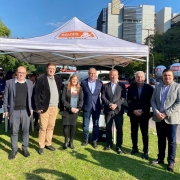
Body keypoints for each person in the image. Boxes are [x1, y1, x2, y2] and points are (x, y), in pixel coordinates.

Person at [151, 69, 180, 172]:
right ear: (162, 76)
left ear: (173, 76)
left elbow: (178, 102)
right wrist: (157, 112)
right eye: (165, 75)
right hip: (159, 118)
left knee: (172, 141)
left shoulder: (177, 87)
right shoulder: (157, 86)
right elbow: (153, 100)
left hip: (171, 118)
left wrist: (166, 113)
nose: (167, 77)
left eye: (169, 75)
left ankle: (171, 162)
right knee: (161, 139)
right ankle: (160, 158)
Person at [3, 66, 33, 160]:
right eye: (20, 72)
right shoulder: (9, 82)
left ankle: (25, 148)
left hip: (25, 111)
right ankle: (14, 149)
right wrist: (6, 110)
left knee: (25, 131)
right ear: (16, 72)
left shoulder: (29, 83)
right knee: (14, 132)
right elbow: (6, 98)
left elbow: (31, 97)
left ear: (26, 74)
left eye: (23, 73)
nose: (21, 74)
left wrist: (31, 108)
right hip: (14, 111)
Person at [34, 62, 63, 155]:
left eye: (53, 69)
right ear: (47, 69)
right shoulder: (40, 79)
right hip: (44, 107)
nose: (51, 70)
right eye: (50, 68)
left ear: (55, 70)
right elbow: (36, 94)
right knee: (43, 127)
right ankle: (41, 145)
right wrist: (38, 107)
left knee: (51, 126)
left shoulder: (58, 79)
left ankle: (48, 143)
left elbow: (61, 91)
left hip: (55, 107)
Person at [127, 71, 153, 159]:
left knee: (144, 133)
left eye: (141, 77)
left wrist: (142, 110)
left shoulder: (149, 88)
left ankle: (145, 151)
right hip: (133, 114)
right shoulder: (131, 88)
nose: (139, 78)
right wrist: (134, 110)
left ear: (144, 78)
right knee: (134, 132)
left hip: (144, 114)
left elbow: (150, 101)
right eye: (138, 77)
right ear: (135, 78)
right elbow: (129, 100)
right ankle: (134, 148)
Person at [101, 69, 126, 154]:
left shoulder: (122, 86)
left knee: (119, 129)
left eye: (115, 75)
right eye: (112, 75)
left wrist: (115, 105)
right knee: (108, 128)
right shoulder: (105, 86)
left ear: (118, 76)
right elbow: (103, 97)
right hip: (108, 110)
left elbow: (123, 97)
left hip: (118, 111)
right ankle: (109, 144)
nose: (113, 76)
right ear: (109, 76)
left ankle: (119, 146)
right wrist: (109, 104)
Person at [81, 68, 103, 148]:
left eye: (94, 73)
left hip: (96, 107)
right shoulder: (83, 82)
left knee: (96, 124)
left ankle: (94, 140)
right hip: (87, 106)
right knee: (85, 124)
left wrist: (103, 105)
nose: (92, 75)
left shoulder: (99, 83)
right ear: (88, 73)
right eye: (91, 73)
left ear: (96, 74)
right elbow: (81, 95)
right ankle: (86, 139)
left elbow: (103, 95)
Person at [61, 74, 83, 149]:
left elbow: (81, 99)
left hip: (75, 110)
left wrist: (78, 108)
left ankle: (71, 142)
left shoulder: (79, 88)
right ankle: (66, 141)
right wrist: (70, 108)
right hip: (67, 110)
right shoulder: (66, 87)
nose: (74, 81)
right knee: (66, 126)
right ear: (70, 80)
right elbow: (63, 99)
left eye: (75, 79)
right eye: (73, 79)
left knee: (73, 126)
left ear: (77, 81)